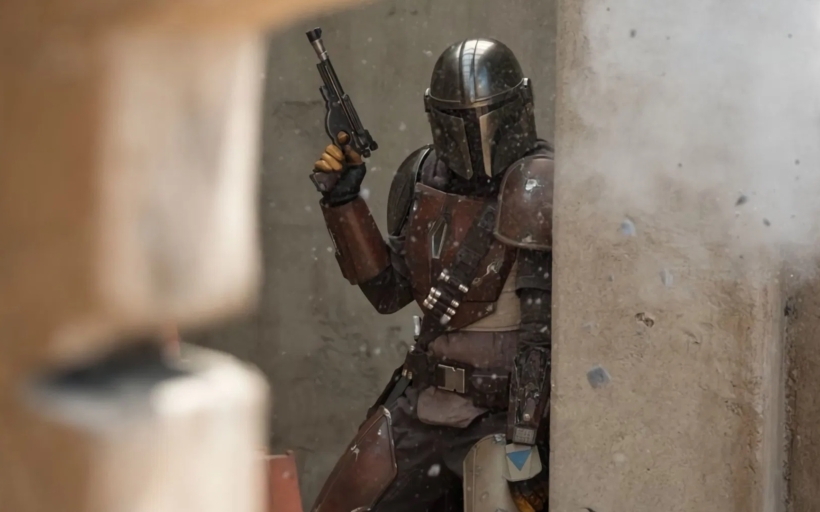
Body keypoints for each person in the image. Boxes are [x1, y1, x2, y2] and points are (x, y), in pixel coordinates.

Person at [308, 38, 554, 512]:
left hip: (499, 420)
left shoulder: (536, 182)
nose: (473, 132)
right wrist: (343, 202)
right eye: (457, 118)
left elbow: (538, 339)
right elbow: (388, 292)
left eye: (482, 115)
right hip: (422, 406)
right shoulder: (423, 174)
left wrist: (524, 445)